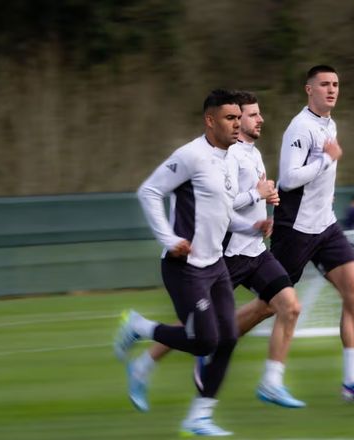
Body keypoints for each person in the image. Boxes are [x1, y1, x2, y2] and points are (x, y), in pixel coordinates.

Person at [123, 91, 306, 412]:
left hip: (254, 250)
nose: (258, 119)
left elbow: (232, 204)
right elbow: (222, 203)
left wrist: (260, 217)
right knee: (202, 331)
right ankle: (146, 360)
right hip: (226, 254)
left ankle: (270, 382)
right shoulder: (215, 155)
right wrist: (256, 195)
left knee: (287, 306)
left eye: (253, 114)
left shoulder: (250, 154)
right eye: (249, 115)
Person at [268, 64, 354, 403]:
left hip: (326, 226)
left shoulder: (329, 124)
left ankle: (353, 381)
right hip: (296, 230)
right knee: (267, 305)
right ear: (309, 89)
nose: (332, 89)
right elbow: (289, 178)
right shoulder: (300, 127)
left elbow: (319, 176)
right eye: (324, 84)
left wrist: (324, 192)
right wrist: (325, 161)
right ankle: (212, 342)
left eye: (335, 84)